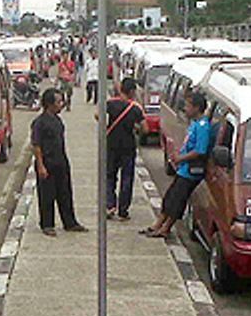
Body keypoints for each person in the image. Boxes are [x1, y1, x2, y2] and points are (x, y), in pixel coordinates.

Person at [141, 92, 211, 238]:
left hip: (191, 171)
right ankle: (158, 224)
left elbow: (200, 150)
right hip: (183, 169)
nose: (185, 109)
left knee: (177, 200)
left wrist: (180, 158)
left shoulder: (203, 127)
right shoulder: (194, 124)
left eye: (188, 106)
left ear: (197, 108)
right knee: (170, 197)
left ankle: (166, 228)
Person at [31, 88, 88, 237]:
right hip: (47, 163)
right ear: (49, 104)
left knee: (65, 193)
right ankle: (47, 224)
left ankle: (70, 222)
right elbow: (36, 145)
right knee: (47, 195)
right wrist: (40, 166)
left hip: (60, 161)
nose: (61, 104)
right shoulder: (39, 123)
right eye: (58, 102)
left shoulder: (57, 120)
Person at [98, 78, 147, 220]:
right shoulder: (136, 108)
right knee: (127, 178)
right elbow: (146, 128)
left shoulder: (110, 104)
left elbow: (97, 115)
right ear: (132, 91)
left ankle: (110, 205)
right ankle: (123, 210)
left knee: (109, 176)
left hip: (111, 145)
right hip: (128, 147)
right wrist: (134, 127)